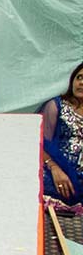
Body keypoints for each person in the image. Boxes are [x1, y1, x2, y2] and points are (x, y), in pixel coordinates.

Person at [42, 61, 83, 213]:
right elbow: (41, 144)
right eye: (79, 77)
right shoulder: (56, 106)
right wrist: (54, 168)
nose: (81, 83)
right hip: (60, 172)